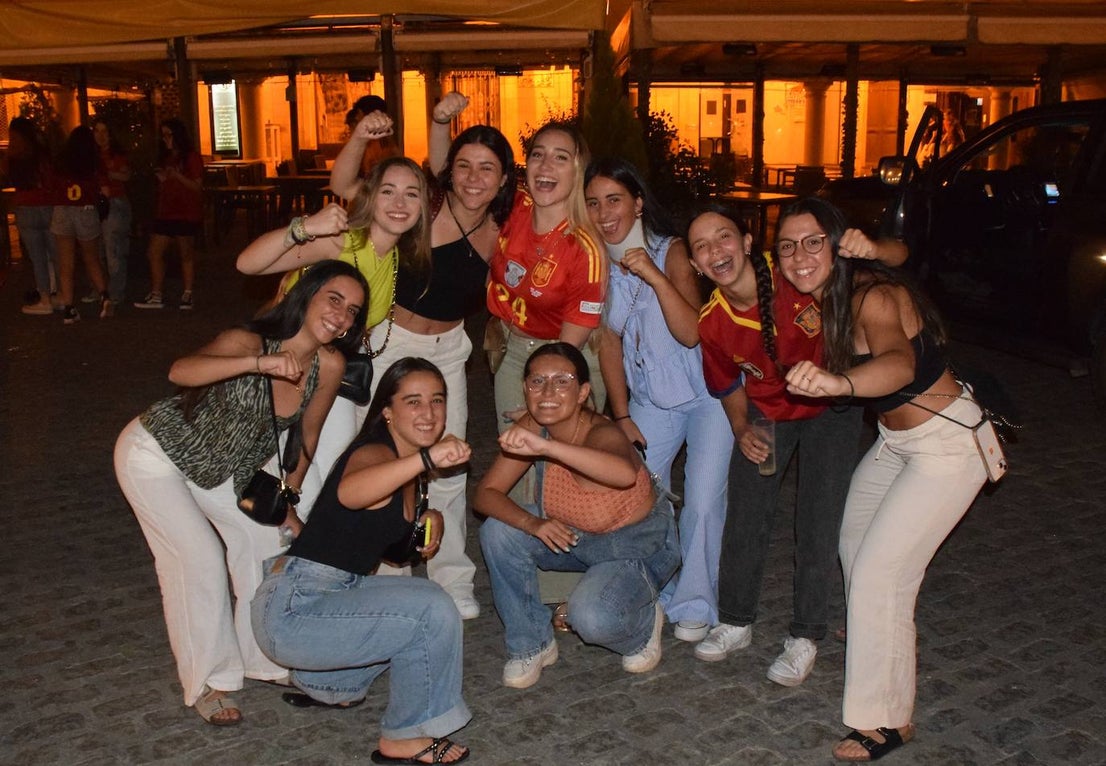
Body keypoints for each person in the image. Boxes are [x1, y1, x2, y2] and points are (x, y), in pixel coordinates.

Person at [777, 198, 988, 762]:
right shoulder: (837, 287)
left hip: (946, 445)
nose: (800, 255)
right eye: (788, 246)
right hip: (898, 442)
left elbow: (896, 363)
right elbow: (900, 251)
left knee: (878, 571)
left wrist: (837, 384)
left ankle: (885, 721)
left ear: (838, 244)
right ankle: (880, 629)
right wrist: (877, 246)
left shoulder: (872, 297)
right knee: (853, 544)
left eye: (813, 241)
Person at [114, 260, 368, 726]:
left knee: (266, 543)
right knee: (197, 559)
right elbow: (181, 371)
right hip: (156, 456)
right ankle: (209, 679)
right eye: (334, 299)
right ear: (307, 294)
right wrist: (257, 364)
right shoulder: (249, 341)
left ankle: (265, 657)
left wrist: (289, 502)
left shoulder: (329, 364)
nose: (342, 316)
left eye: (353, 310)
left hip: (223, 471)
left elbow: (306, 440)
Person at [687, 204, 906, 686]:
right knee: (747, 510)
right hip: (768, 416)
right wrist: (743, 428)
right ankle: (735, 619)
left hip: (833, 409)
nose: (715, 251)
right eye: (701, 246)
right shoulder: (712, 321)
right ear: (695, 265)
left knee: (819, 518)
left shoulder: (796, 268)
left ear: (747, 242)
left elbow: (892, 257)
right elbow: (726, 385)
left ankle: (806, 633)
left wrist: (870, 246)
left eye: (723, 237)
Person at [327, 99, 516, 619]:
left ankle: (451, 578)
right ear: (447, 171)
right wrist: (374, 135)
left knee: (450, 464)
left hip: (450, 351)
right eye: (464, 165)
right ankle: (391, 573)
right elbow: (346, 186)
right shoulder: (423, 206)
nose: (474, 178)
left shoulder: (505, 231)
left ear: (503, 180)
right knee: (388, 463)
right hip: (392, 344)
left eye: (487, 168)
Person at [252, 357, 472, 764]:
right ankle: (404, 736)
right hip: (297, 607)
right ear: (387, 411)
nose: (429, 413)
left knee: (412, 607)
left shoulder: (406, 467)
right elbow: (352, 493)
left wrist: (428, 516)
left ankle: (334, 685)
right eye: (413, 401)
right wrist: (427, 460)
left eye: (437, 401)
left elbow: (387, 545)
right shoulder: (375, 452)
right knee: (431, 607)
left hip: (327, 599)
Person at [585, 157, 734, 643]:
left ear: (638, 203)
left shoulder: (670, 252)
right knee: (636, 490)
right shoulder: (597, 263)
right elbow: (608, 343)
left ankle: (694, 601)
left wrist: (652, 275)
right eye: (594, 203)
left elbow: (691, 333)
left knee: (702, 501)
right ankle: (652, 587)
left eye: (615, 200)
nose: (605, 212)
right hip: (652, 398)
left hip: (708, 393)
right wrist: (621, 414)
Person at [474, 343, 680, 688]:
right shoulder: (534, 426)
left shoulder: (601, 432)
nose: (548, 392)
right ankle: (532, 643)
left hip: (636, 546)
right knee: (498, 531)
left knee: (592, 618)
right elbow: (485, 495)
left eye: (562, 381)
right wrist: (532, 523)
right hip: (576, 537)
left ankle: (643, 625)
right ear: (525, 388)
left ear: (584, 392)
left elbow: (622, 473)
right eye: (537, 381)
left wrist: (546, 448)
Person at [237, 155, 431, 513]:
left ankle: (308, 546)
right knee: (265, 469)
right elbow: (247, 264)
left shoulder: (396, 258)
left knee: (332, 467)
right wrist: (305, 226)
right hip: (282, 366)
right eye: (388, 191)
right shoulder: (341, 242)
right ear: (370, 197)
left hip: (329, 374)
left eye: (412, 194)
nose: (400, 204)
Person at [134, 118, 203, 310]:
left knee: (186, 252)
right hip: (166, 212)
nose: (165, 139)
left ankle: (188, 293)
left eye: (168, 135)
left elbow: (197, 187)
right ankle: (157, 293)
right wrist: (163, 178)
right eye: (162, 135)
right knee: (154, 252)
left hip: (186, 211)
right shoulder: (166, 157)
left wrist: (177, 175)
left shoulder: (191, 157)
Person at [50, 125, 110, 324]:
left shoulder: (60, 162)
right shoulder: (93, 161)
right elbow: (105, 190)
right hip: (85, 210)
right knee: (91, 258)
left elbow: (51, 186)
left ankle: (69, 307)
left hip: (62, 210)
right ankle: (105, 296)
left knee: (65, 263)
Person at [6, 117, 58, 315]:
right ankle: (62, 294)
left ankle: (44, 298)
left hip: (25, 207)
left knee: (37, 259)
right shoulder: (41, 152)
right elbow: (50, 177)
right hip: (46, 205)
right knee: (56, 254)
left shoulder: (13, 155)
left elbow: (9, 175)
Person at [91, 119, 131, 305]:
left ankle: (115, 291)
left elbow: (125, 175)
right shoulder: (91, 155)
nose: (100, 135)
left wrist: (108, 173)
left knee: (112, 248)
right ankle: (100, 289)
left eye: (104, 131)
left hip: (113, 202)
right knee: (95, 248)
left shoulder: (116, 155)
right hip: (93, 204)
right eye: (97, 131)